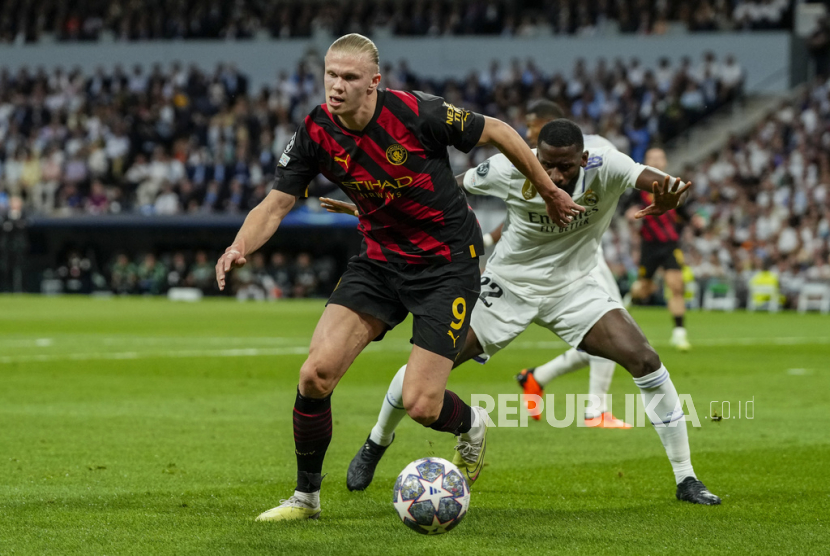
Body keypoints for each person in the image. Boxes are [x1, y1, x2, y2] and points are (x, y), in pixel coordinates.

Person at [214, 33, 584, 523]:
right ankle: (306, 498)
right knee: (315, 374)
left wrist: (549, 192)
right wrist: (239, 245)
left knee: (422, 405)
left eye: (349, 78)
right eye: (331, 76)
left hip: (446, 265)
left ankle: (472, 426)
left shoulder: (417, 113)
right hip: (379, 261)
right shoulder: (317, 130)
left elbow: (499, 131)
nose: (337, 86)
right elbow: (276, 203)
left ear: (373, 83)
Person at [328, 119, 720, 505]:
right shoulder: (509, 167)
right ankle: (377, 440)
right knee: (427, 367)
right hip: (507, 287)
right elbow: (445, 188)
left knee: (645, 359)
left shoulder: (607, 165)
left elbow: (661, 182)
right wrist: (377, 206)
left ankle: (686, 478)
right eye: (545, 163)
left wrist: (672, 196)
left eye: (564, 166)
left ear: (583, 158)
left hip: (575, 288)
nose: (554, 173)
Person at [503, 99, 631, 428]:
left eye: (531, 124)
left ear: (547, 123)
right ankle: (594, 409)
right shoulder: (531, 163)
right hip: (547, 262)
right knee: (610, 331)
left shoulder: (597, 150)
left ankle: (541, 379)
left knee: (610, 329)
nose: (527, 131)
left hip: (584, 257)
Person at [628, 148, 691, 351]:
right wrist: (629, 214)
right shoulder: (636, 188)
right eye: (651, 158)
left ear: (665, 162)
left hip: (670, 245)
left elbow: (684, 212)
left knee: (676, 285)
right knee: (644, 289)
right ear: (645, 161)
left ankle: (679, 333)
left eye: (659, 158)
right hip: (649, 247)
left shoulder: (674, 187)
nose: (655, 162)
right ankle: (627, 299)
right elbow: (624, 209)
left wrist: (695, 220)